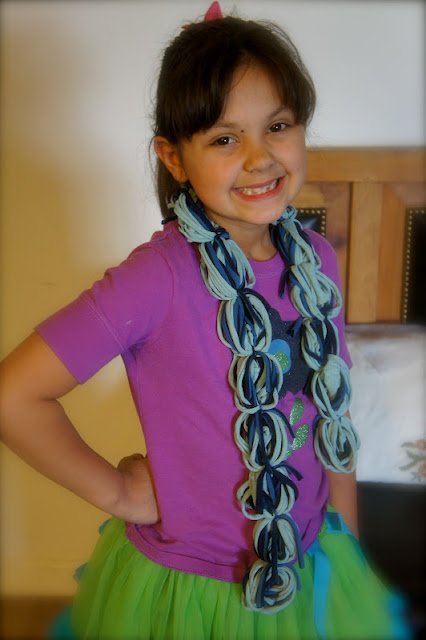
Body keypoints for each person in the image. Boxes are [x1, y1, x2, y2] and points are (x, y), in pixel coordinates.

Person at [0, 3, 411, 639]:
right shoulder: (157, 277)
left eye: (278, 126)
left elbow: (332, 412)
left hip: (310, 563)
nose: (259, 157)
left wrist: (348, 547)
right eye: (224, 138)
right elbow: (14, 395)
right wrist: (118, 493)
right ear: (174, 157)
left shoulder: (316, 259)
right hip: (196, 592)